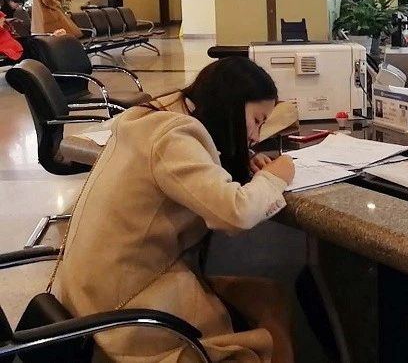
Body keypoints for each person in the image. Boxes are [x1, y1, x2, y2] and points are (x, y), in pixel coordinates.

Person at [52, 57, 296, 363]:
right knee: (269, 313)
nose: (257, 136)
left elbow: (189, 167)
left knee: (270, 295)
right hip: (126, 311)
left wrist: (240, 158)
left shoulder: (156, 115)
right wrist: (276, 175)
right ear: (232, 106)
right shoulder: (174, 137)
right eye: (257, 120)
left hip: (90, 291)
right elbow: (237, 213)